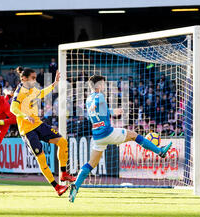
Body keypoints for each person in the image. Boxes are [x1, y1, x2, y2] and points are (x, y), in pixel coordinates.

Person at [68, 75, 173, 203]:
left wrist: (113, 111)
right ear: (98, 85)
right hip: (107, 132)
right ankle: (159, 151)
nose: (104, 86)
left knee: (91, 164)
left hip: (97, 136)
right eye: (103, 84)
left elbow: (99, 112)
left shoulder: (88, 99)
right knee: (134, 135)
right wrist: (97, 107)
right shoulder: (98, 96)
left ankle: (76, 186)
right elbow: (97, 104)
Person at [10, 67, 75, 196]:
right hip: (27, 130)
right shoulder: (20, 92)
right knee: (42, 158)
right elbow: (13, 108)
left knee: (62, 142)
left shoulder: (32, 89)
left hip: (38, 124)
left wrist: (54, 84)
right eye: (33, 78)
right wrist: (24, 116)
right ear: (24, 78)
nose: (35, 81)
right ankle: (56, 187)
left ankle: (63, 173)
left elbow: (42, 93)